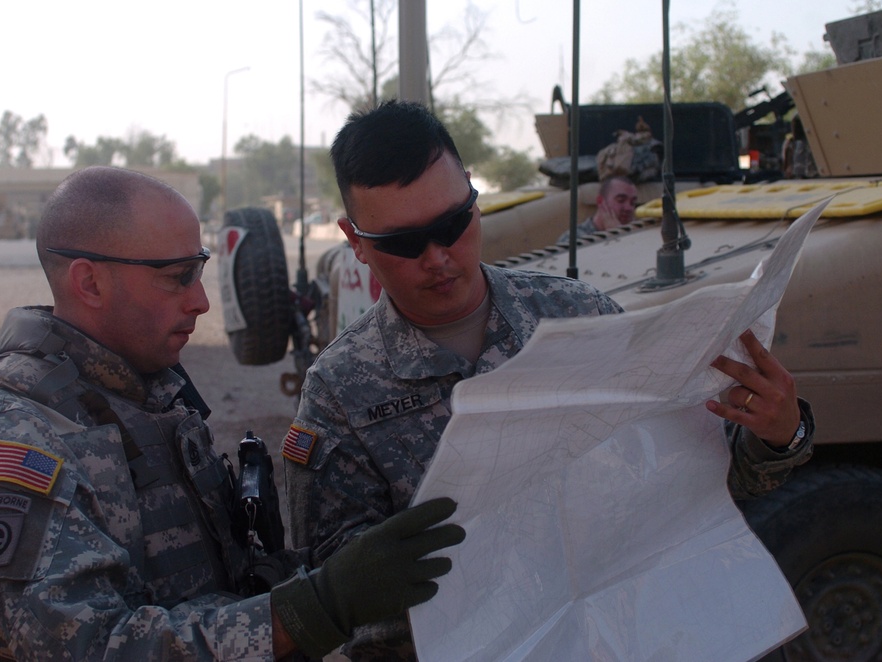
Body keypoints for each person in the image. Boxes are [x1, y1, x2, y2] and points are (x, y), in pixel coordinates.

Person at [282, 100, 814, 660]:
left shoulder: (578, 315)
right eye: (405, 243)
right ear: (356, 239)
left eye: (452, 224)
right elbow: (338, 601)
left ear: (471, 192)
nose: (438, 258)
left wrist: (778, 433)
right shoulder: (340, 393)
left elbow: (687, 485)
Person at [0, 166, 465, 661]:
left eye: (199, 271)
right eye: (176, 276)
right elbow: (89, 647)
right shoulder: (14, 433)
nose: (202, 301)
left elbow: (205, 585)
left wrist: (338, 570)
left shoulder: (143, 390)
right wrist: (317, 605)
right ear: (89, 282)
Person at [555, 175, 639, 243]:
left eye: (633, 203)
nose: (629, 208)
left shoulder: (637, 233)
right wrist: (616, 236)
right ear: (600, 201)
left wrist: (622, 234)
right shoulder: (575, 239)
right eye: (621, 200)